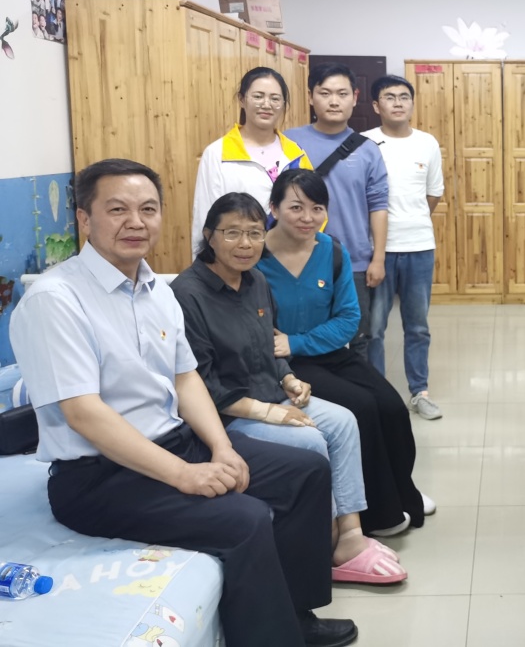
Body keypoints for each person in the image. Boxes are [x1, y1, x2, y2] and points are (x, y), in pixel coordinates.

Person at [9, 159, 357, 647]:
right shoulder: (56, 299)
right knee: (244, 519)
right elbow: (83, 413)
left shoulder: (156, 290)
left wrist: (222, 448)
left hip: (178, 441)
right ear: (85, 219)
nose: (136, 222)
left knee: (306, 471)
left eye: (148, 209)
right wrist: (183, 475)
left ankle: (298, 613)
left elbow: (186, 377)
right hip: (99, 478)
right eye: (118, 210)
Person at [172, 192, 408, 585]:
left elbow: (268, 342)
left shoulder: (256, 280)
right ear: (209, 235)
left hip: (272, 394)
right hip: (228, 414)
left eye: (254, 233)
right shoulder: (187, 294)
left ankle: (350, 535)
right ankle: (323, 544)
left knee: (344, 421)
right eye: (232, 233)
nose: (245, 244)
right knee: (310, 441)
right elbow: (198, 380)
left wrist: (288, 379)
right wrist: (269, 412)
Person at [257, 169, 430, 536]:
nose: (308, 218)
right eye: (296, 207)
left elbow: (349, 318)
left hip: (328, 352)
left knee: (392, 406)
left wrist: (297, 340)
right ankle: (377, 514)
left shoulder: (331, 250)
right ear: (273, 208)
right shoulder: (255, 258)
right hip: (287, 366)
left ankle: (403, 492)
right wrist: (288, 349)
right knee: (362, 408)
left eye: (317, 208)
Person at [285, 62, 389, 361]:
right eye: (325, 93)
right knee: (301, 337)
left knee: (359, 340)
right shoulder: (289, 142)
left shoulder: (368, 150)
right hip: (297, 260)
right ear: (310, 96)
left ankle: (361, 392)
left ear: (354, 97)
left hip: (353, 262)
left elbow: (379, 206)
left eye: (342, 94)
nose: (334, 101)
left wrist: (377, 259)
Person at [363, 75, 445, 420]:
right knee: (373, 329)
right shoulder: (364, 143)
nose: (397, 103)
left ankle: (419, 392)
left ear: (412, 103)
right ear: (375, 105)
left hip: (419, 247)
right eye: (389, 97)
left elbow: (433, 194)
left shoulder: (427, 143)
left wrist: (411, 220)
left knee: (418, 326)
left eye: (404, 97)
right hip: (375, 251)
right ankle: (377, 396)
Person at [192, 66, 313, 258]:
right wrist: (204, 267)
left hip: (288, 260)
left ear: (283, 104)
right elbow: (204, 218)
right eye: (258, 96)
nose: (266, 104)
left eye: (275, 99)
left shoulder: (296, 154)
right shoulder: (217, 154)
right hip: (236, 259)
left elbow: (313, 211)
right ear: (242, 99)